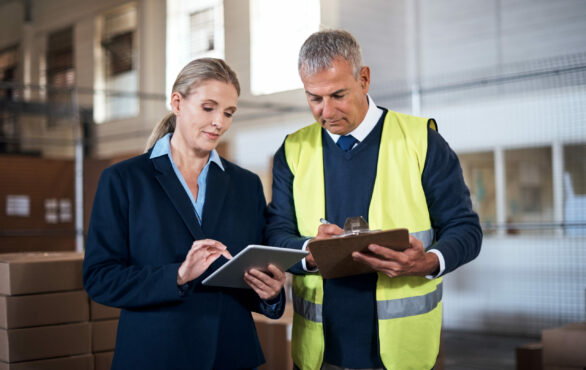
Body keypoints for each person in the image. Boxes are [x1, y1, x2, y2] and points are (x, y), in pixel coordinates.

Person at [265, 30, 482, 370]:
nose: (326, 111)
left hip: (401, 354)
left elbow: (466, 229)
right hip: (320, 353)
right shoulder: (292, 151)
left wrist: (427, 262)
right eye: (314, 98)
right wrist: (310, 252)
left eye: (338, 95)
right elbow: (275, 233)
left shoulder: (421, 141)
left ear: (364, 79)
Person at [83, 58, 287, 370]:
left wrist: (270, 294)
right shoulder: (124, 180)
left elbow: (249, 272)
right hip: (155, 357)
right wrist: (177, 275)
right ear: (177, 102)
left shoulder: (246, 185)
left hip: (230, 356)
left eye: (228, 112)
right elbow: (100, 279)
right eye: (209, 107)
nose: (219, 121)